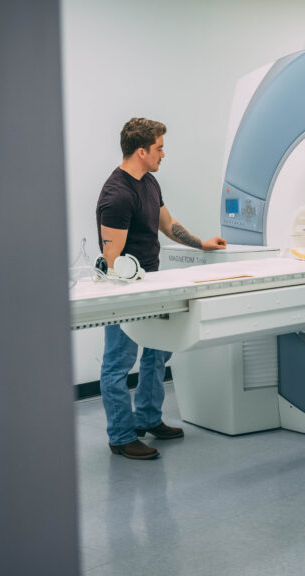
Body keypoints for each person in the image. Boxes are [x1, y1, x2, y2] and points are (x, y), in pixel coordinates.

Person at [96, 117, 226, 460]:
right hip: (125, 290)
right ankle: (122, 436)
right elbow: (112, 259)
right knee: (118, 363)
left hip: (153, 281)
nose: (163, 154)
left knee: (158, 351)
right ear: (142, 151)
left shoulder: (148, 182)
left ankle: (149, 418)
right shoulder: (117, 194)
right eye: (159, 148)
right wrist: (129, 294)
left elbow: (166, 223)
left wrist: (201, 244)